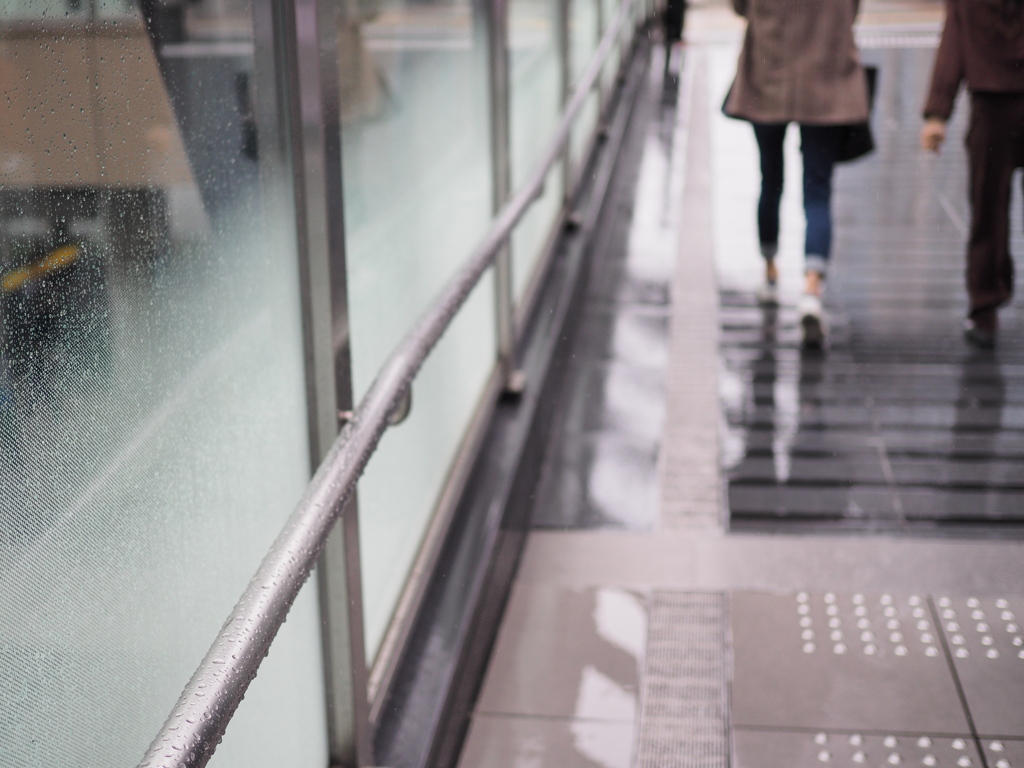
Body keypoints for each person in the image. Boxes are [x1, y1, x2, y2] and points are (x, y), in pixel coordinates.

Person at [724, 0, 869, 349]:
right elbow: (852, 10)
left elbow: (739, 6)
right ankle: (811, 290)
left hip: (768, 76)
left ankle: (771, 273)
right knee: (817, 191)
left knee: (770, 180)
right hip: (825, 81)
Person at [921, 0, 1024, 349]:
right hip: (992, 98)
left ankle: (984, 308)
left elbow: (953, 41)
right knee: (987, 206)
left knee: (987, 209)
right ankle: (984, 304)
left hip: (991, 104)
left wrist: (938, 112)